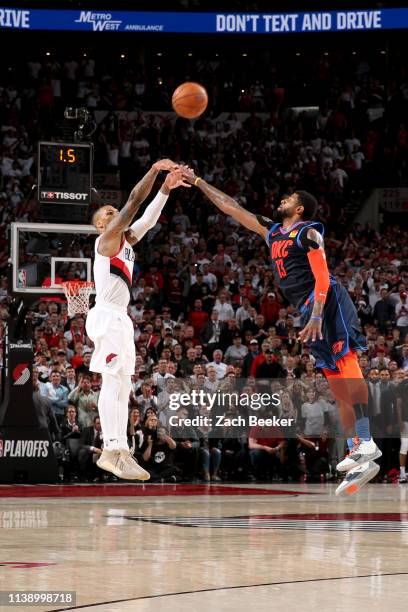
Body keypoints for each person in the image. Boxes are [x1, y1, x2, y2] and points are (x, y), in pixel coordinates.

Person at [182, 169, 381, 496]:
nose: (281, 200)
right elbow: (233, 208)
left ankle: (366, 439)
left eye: (288, 198)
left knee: (347, 365)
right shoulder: (273, 232)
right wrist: (200, 182)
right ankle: (362, 457)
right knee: (335, 381)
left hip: (327, 300)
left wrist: (317, 313)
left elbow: (322, 274)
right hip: (309, 308)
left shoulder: (308, 232)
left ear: (300, 208)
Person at [86, 160, 189, 480]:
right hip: (105, 314)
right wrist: (156, 169)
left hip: (121, 318)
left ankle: (120, 451)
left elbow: (148, 217)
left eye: (113, 210)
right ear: (101, 226)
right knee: (111, 380)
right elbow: (133, 202)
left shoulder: (126, 244)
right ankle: (110, 447)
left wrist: (165, 190)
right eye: (107, 213)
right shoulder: (105, 243)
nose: (113, 213)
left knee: (122, 384)